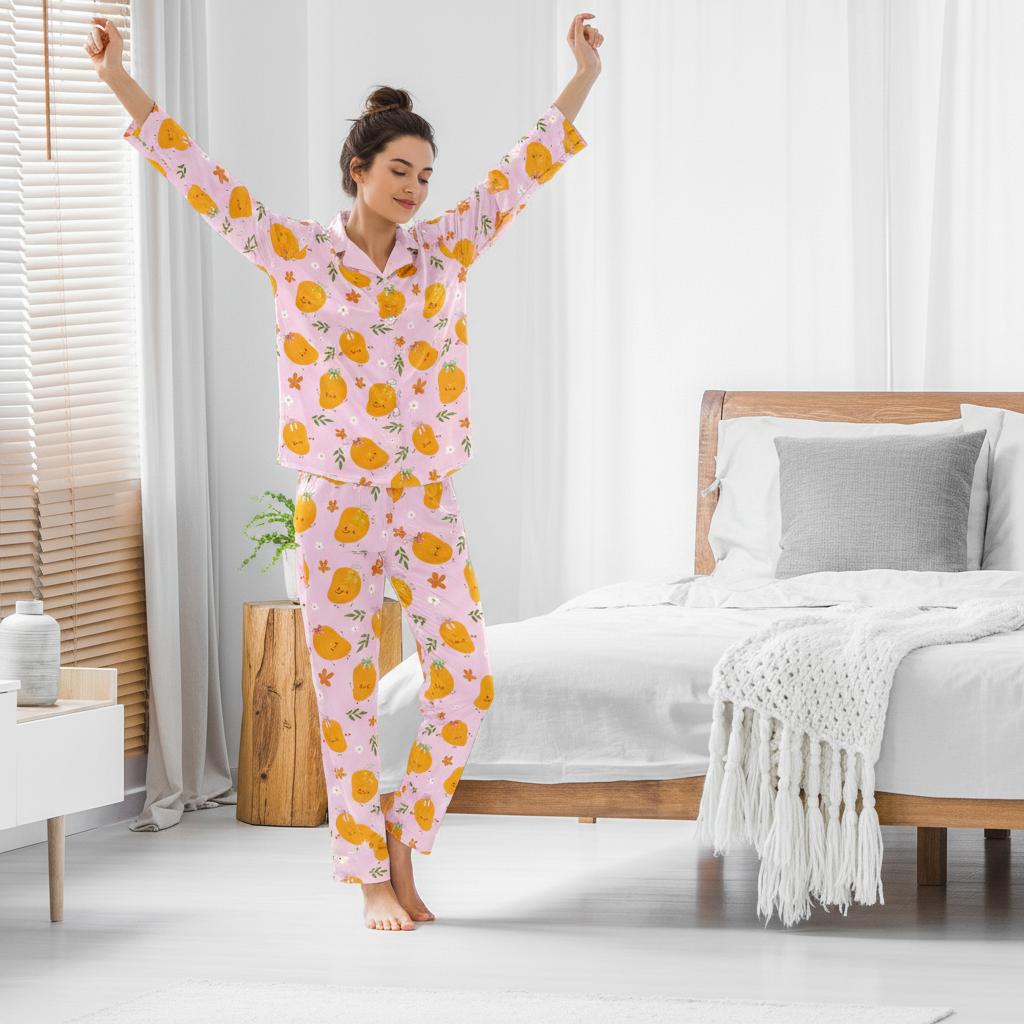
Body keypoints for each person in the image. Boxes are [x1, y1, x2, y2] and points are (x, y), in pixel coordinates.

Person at [87, 10, 602, 932]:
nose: (415, 188)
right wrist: (119, 76)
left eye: (425, 175)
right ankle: (369, 874)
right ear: (357, 172)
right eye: (399, 170)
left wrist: (582, 74)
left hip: (426, 499)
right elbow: (199, 179)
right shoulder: (296, 254)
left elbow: (529, 163)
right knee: (346, 692)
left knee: (465, 674)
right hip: (334, 507)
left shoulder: (447, 249)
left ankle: (408, 831)